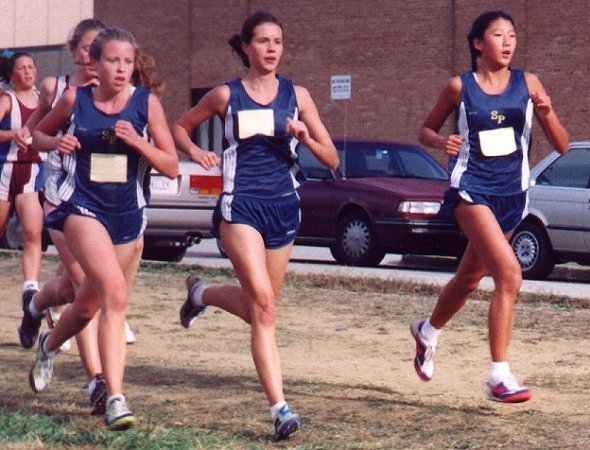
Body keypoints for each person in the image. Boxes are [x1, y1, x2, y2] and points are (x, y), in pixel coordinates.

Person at [173, 11, 338, 441]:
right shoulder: (225, 95)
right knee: (264, 306)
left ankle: (201, 294)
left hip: (283, 208)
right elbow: (181, 127)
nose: (271, 49)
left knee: (260, 309)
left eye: (277, 42)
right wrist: (196, 152)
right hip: (240, 207)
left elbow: (332, 158)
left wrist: (305, 137)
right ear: (246, 47)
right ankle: (280, 409)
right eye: (263, 41)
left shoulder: (297, 95)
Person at [410, 10, 569, 403]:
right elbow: (426, 130)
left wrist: (547, 112)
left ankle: (427, 331)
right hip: (471, 190)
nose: (507, 42)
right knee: (510, 275)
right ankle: (499, 377)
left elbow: (563, 146)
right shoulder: (459, 87)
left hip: (512, 195)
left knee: (468, 279)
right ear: (479, 43)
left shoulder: (529, 83)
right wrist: (441, 142)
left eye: (512, 35)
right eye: (499, 35)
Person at [28, 26, 178, 431]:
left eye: (128, 61)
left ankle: (48, 344)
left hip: (127, 214)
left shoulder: (146, 104)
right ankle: (114, 398)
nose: (121, 68)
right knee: (115, 295)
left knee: (88, 305)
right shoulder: (76, 99)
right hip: (83, 209)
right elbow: (37, 134)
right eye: (113, 60)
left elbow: (171, 166)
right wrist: (55, 144)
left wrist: (140, 143)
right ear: (95, 62)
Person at [0, 51, 45, 318]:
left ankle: (30, 288)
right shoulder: (7, 100)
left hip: (32, 170)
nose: (27, 72)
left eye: (31, 67)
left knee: (33, 232)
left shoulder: (43, 101)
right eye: (21, 68)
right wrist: (13, 134)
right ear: (12, 74)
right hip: (4, 170)